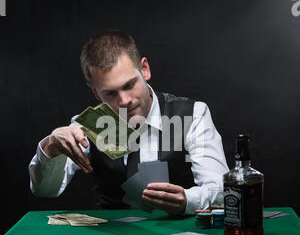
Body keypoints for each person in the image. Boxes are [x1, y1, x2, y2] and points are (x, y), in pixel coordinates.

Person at [28, 30, 229, 215]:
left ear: (145, 69)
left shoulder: (192, 115)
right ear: (95, 92)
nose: (124, 101)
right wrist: (51, 146)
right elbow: (45, 191)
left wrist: (187, 200)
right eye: (110, 93)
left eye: (129, 85)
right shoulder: (88, 126)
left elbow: (221, 191)